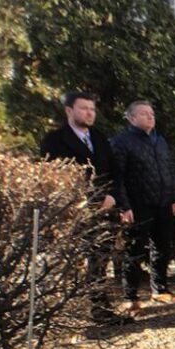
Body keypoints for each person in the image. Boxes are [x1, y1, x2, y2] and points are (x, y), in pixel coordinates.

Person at [40, 92, 126, 324]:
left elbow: (114, 171)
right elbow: (51, 176)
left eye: (92, 109)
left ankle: (100, 309)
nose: (89, 113)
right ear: (69, 111)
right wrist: (80, 199)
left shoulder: (99, 138)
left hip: (103, 210)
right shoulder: (55, 140)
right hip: (74, 210)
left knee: (99, 260)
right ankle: (68, 314)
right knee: (72, 263)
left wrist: (112, 196)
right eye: (84, 108)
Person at [110, 100, 175, 311]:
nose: (150, 117)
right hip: (138, 206)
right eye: (144, 114)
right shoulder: (122, 142)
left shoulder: (159, 140)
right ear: (132, 118)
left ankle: (160, 289)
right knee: (133, 251)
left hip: (163, 203)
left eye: (151, 113)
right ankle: (130, 297)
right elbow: (118, 177)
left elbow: (169, 170)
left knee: (161, 248)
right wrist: (124, 206)